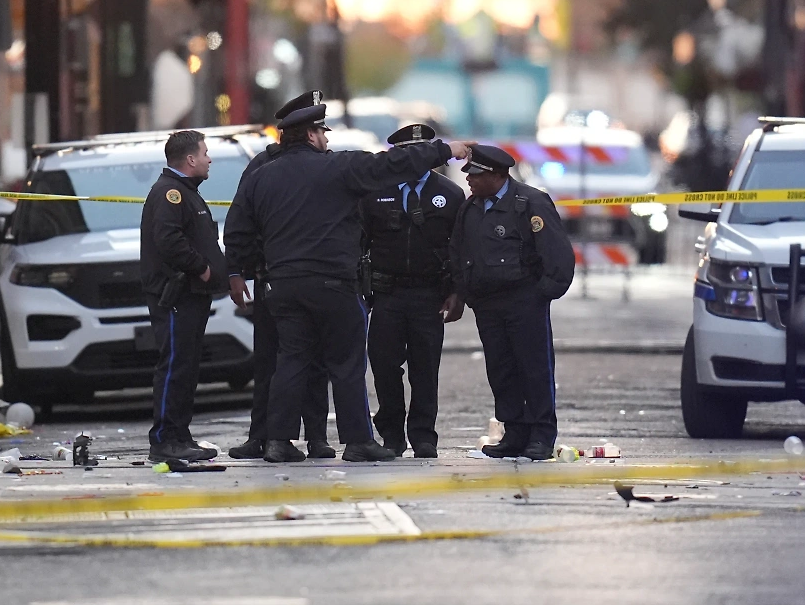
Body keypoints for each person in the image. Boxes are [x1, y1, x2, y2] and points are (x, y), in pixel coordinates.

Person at [225, 104, 472, 463]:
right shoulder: (340, 168)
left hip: (283, 286)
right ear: (310, 135)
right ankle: (358, 441)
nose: (326, 138)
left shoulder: (262, 176)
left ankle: (277, 441)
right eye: (323, 132)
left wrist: (236, 271)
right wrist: (446, 149)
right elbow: (393, 165)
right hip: (333, 284)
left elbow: (238, 226)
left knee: (291, 360)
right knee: (345, 363)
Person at [448, 144, 575, 461]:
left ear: (498, 175)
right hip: (488, 304)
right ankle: (515, 432)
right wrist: (466, 293)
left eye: (476, 175)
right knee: (501, 370)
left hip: (523, 301)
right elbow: (459, 252)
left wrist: (542, 294)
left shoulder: (529, 203)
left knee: (533, 368)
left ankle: (541, 435)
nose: (470, 181)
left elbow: (557, 254)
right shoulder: (471, 208)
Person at [227, 92, 333, 460]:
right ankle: (262, 435)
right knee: (268, 360)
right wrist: (237, 271)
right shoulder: (262, 165)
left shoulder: (325, 164)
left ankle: (317, 437)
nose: (323, 138)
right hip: (269, 275)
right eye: (318, 129)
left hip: (304, 276)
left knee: (314, 361)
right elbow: (240, 222)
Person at [360, 124, 466, 459]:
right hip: (386, 295)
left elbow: (459, 248)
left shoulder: (449, 194)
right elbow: (359, 241)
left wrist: (456, 292)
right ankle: (391, 434)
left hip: (428, 294)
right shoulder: (375, 192)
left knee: (425, 368)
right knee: (385, 367)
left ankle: (424, 436)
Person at [140, 130, 229, 463]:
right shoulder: (171, 194)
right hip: (178, 293)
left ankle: (180, 434)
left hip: (192, 295)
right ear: (190, 159)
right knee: (176, 364)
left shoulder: (185, 192)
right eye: (205, 153)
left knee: (187, 367)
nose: (209, 159)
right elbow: (169, 241)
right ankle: (164, 439)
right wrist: (201, 267)